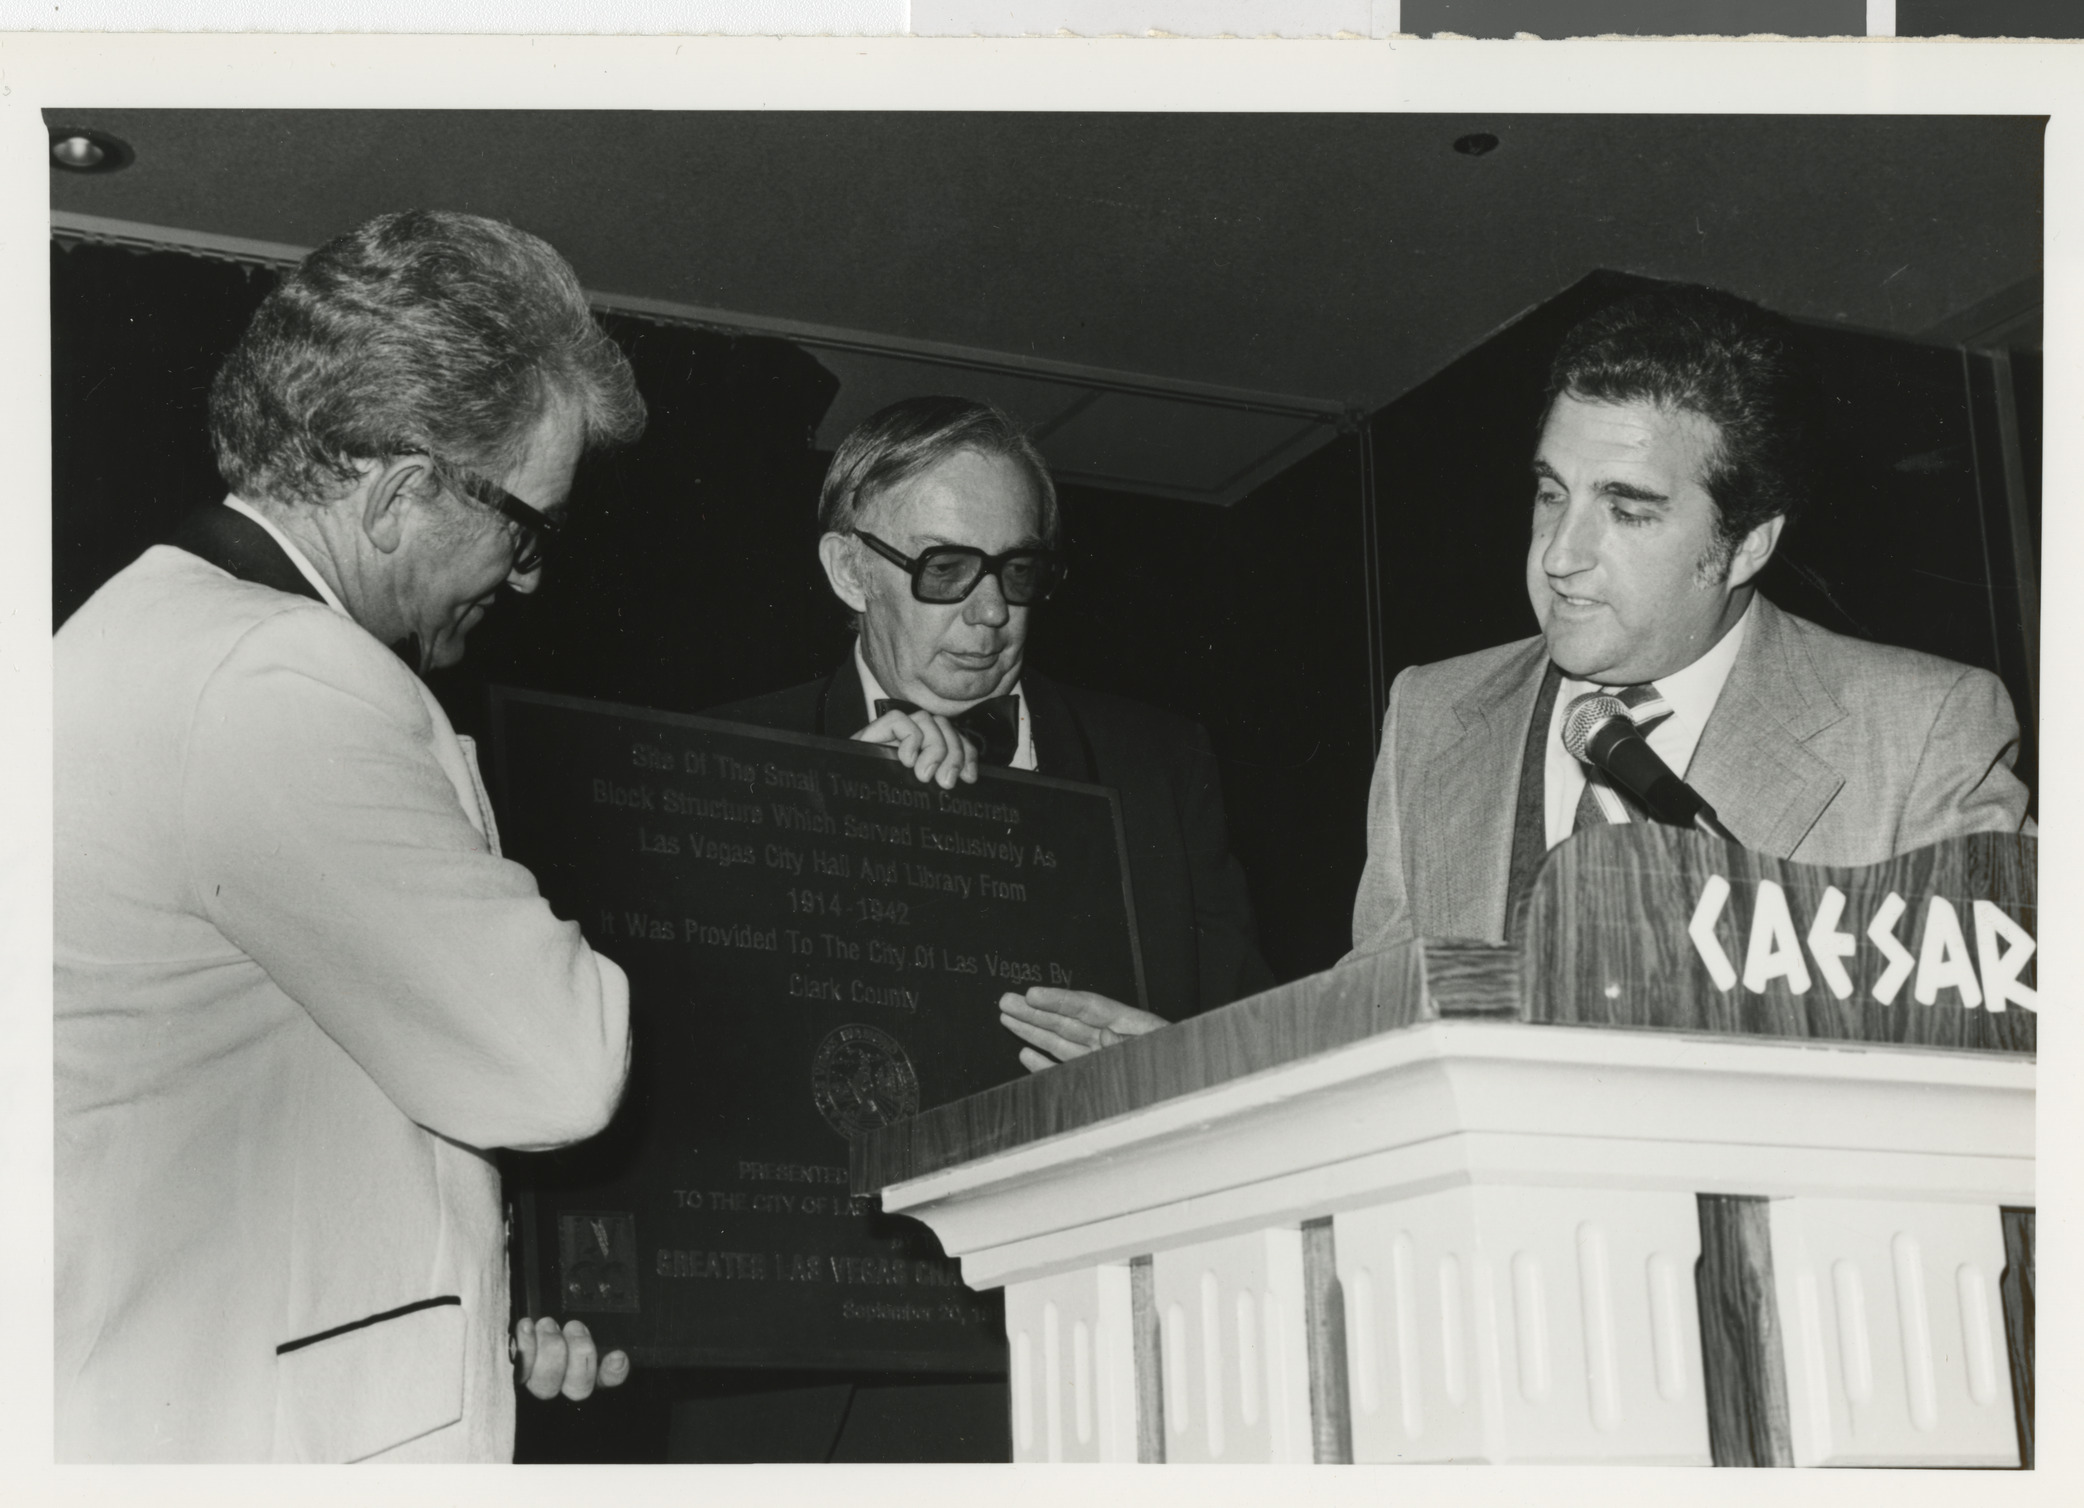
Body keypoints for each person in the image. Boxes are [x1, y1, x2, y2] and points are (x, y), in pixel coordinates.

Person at [55, 210, 647, 1462]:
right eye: (526, 527)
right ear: (395, 495)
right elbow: (559, 1060)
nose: (527, 576)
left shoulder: (154, 629)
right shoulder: (284, 679)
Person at [690, 395, 1272, 1460]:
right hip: (821, 1394)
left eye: (1017, 572)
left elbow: (1254, 1048)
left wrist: (1172, 1065)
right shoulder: (727, 760)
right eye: (944, 569)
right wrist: (821, 814)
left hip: (1106, 1363)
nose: (989, 612)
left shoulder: (1159, 762)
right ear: (846, 569)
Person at [1348, 283, 2032, 955]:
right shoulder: (1429, 717)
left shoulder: (1921, 733)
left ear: (1744, 546)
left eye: (1628, 509)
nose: (1559, 555)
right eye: (1552, 493)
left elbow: (1998, 1036)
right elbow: (1375, 1016)